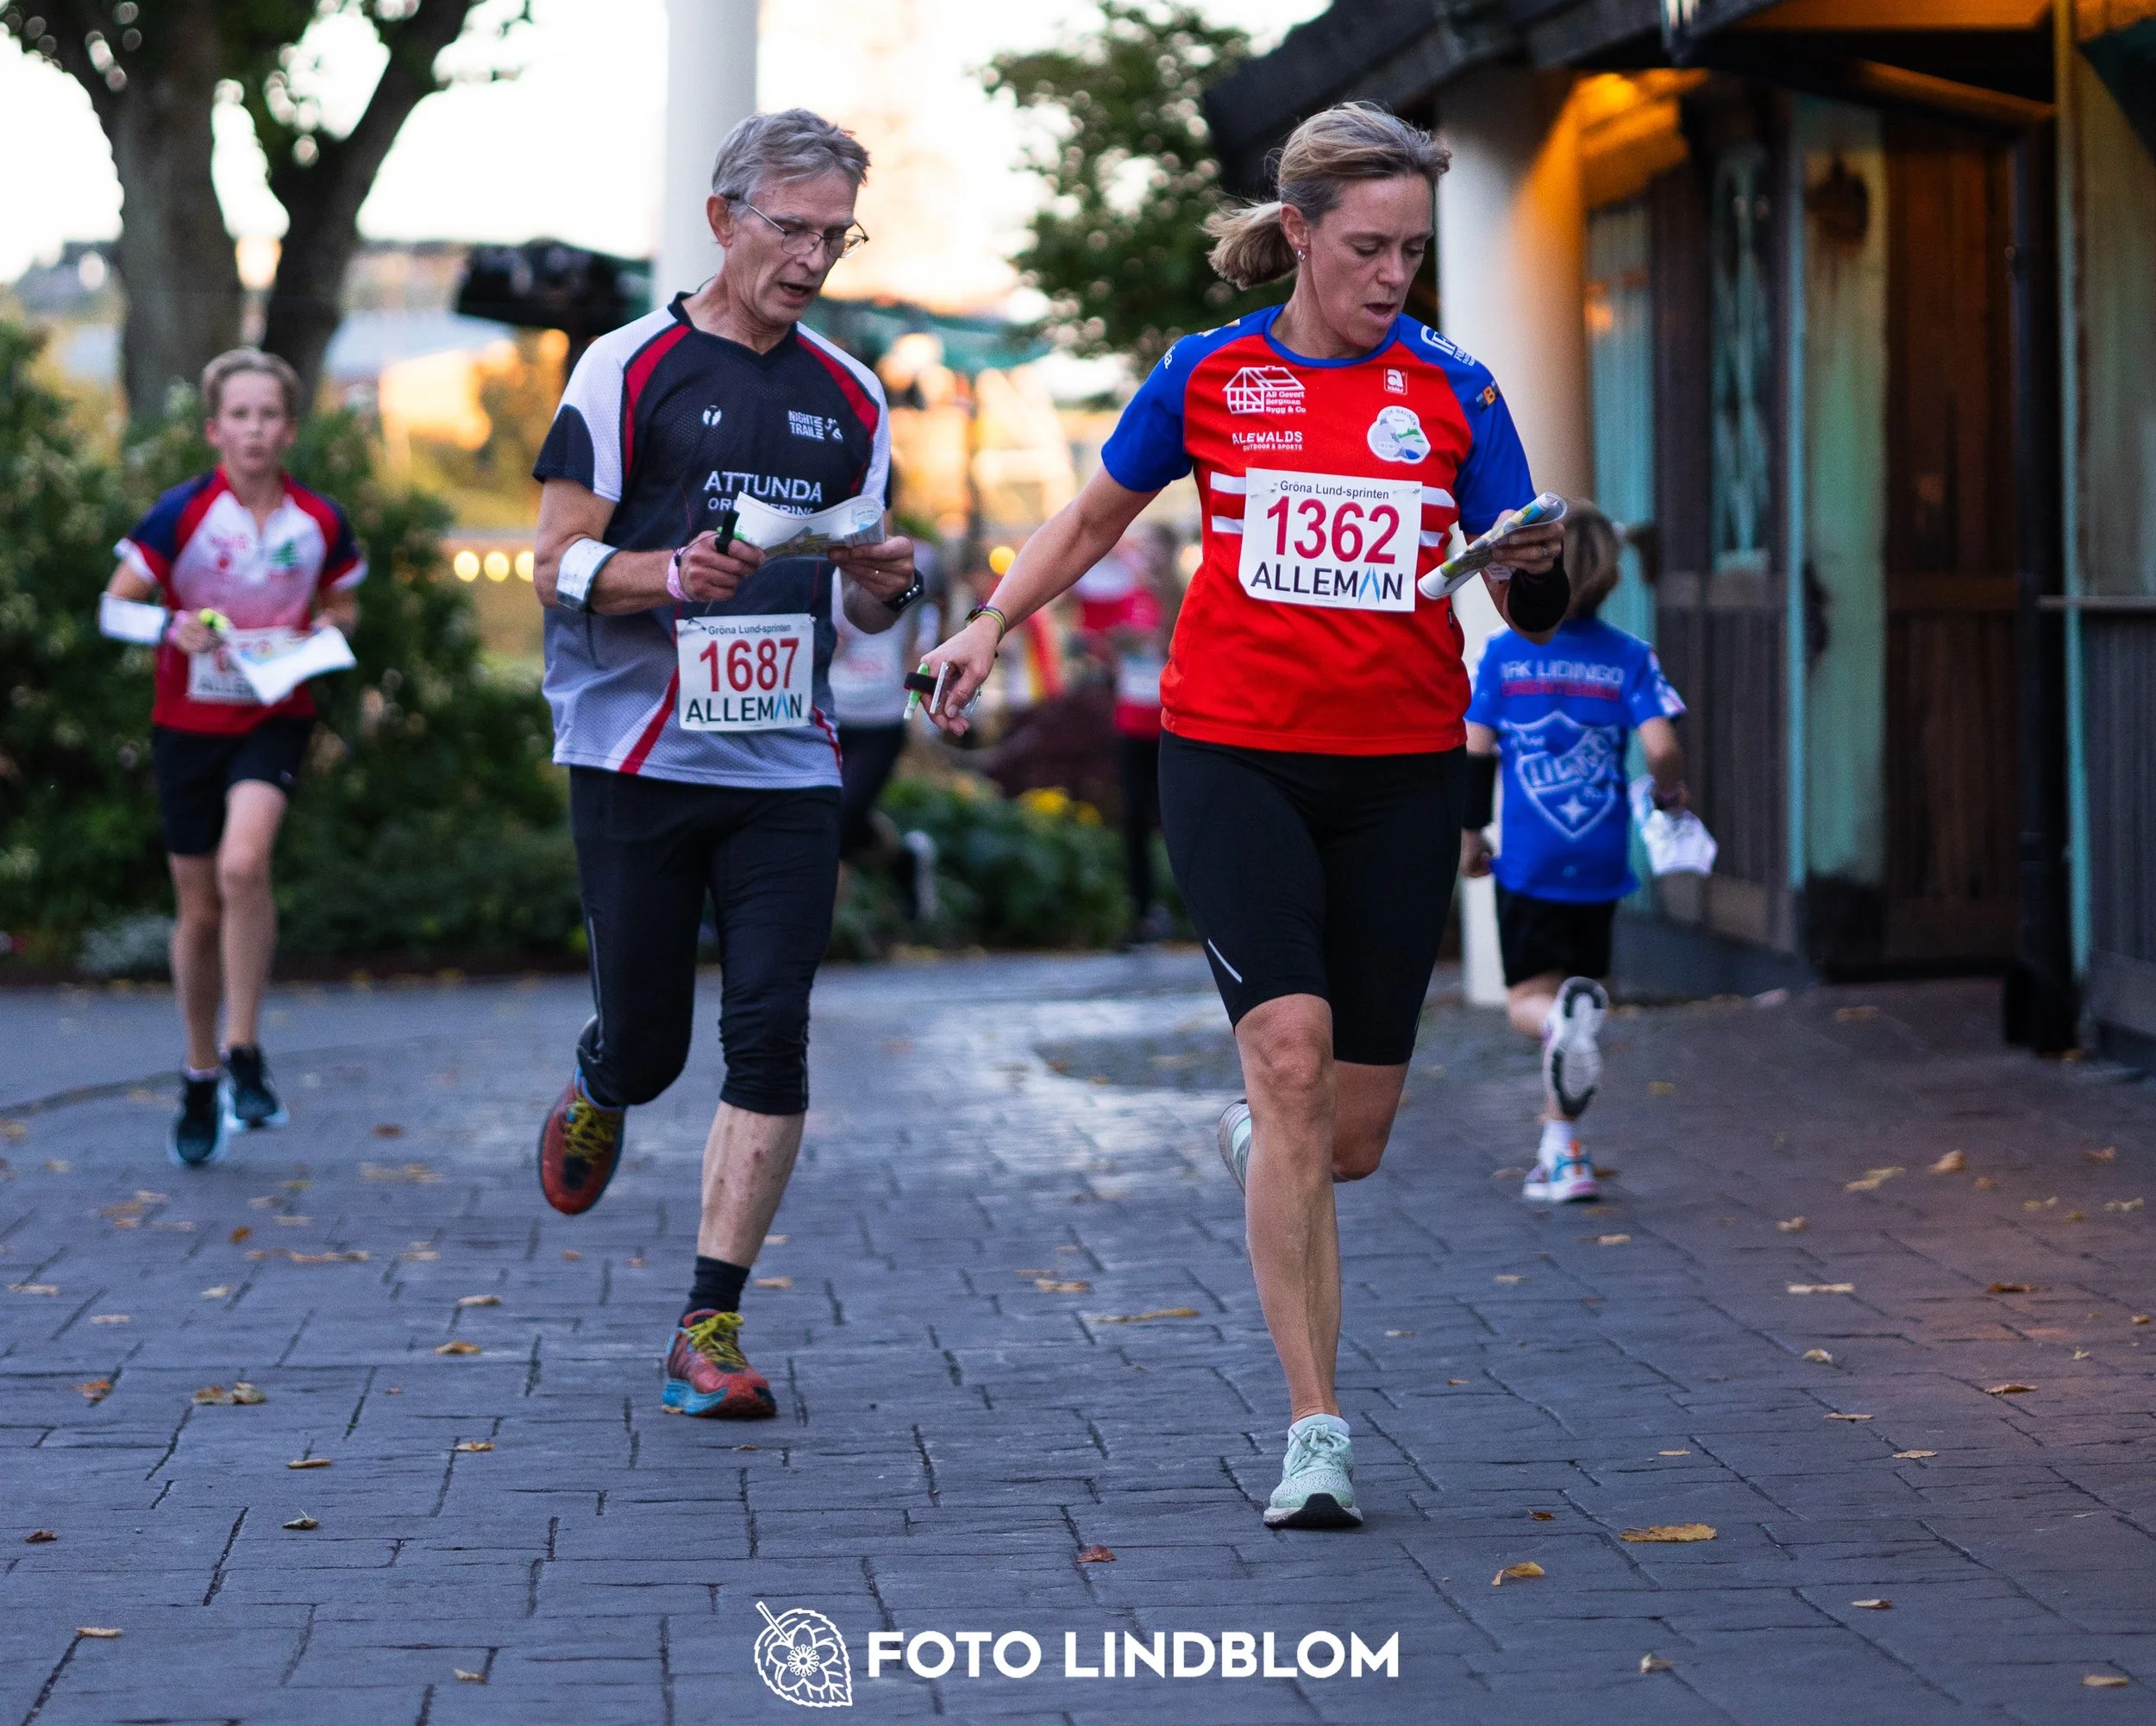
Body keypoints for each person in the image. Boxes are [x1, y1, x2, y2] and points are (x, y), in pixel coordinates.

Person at [918, 102, 1568, 1531]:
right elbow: (1089, 521)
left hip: (1398, 770)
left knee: (1349, 1137)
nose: (1394, 274)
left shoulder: (1457, 390)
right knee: (1289, 1056)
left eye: (1413, 250)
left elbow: (1527, 595)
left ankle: (1269, 1140)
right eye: (1368, 246)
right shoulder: (1210, 374)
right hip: (1232, 756)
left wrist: (1541, 564)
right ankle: (1315, 1429)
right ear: (1299, 232)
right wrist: (989, 623)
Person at [530, 108, 919, 1424]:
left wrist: (888, 582)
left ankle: (709, 1323)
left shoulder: (851, 393)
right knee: (651, 1046)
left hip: (786, 763)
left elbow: (862, 600)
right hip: (635, 749)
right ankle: (604, 1079)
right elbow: (553, 560)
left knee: (770, 1029)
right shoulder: (625, 366)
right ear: (723, 219)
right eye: (791, 229)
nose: (812, 259)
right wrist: (666, 575)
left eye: (836, 235)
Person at [101, 348, 366, 1169]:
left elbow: (345, 603)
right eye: (240, 415)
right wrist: (168, 626)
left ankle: (244, 1047)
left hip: (274, 713)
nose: (255, 429)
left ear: (290, 428)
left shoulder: (317, 520)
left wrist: (325, 631)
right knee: (199, 907)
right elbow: (114, 607)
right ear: (216, 429)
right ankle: (198, 1071)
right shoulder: (181, 513)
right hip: (187, 722)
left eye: (269, 415)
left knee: (243, 867)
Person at [1461, 503, 1689, 1205]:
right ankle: (1562, 1154)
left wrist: (1470, 834)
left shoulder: (1503, 654)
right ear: (1612, 575)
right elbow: (1661, 748)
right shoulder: (1630, 656)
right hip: (1599, 862)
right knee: (1581, 1006)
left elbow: (1475, 751)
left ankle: (1557, 1029)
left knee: (1530, 1004)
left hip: (1529, 862)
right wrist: (1670, 793)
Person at [830, 543, 944, 919]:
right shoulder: (806, 553)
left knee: (838, 819)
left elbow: (936, 616)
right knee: (827, 813)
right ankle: (903, 861)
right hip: (825, 712)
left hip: (882, 716)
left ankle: (823, 934)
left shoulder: (920, 557)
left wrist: (925, 697)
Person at [1073, 530, 1174, 944]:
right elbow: (1103, 645)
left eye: (1153, 551)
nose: (1144, 559)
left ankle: (1191, 909)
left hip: (1174, 725)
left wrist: (1155, 643)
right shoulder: (1125, 597)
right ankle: (1143, 912)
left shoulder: (1181, 596)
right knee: (1133, 817)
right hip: (1132, 720)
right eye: (1142, 551)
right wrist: (1110, 649)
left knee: (1179, 819)